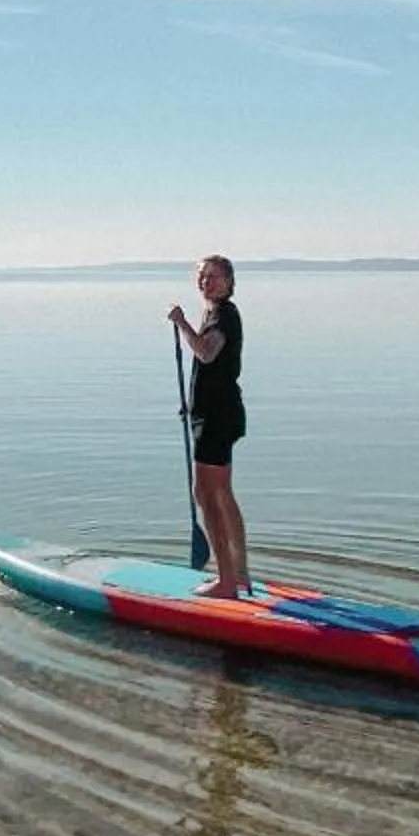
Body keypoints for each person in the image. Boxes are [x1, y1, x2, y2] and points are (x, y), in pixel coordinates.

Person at [169, 254, 249, 598]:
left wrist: (182, 323)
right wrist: (192, 403)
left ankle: (227, 582)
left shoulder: (222, 314)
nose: (206, 282)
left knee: (206, 495)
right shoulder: (217, 313)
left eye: (214, 276)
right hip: (216, 413)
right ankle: (240, 573)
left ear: (229, 282)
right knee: (222, 493)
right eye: (202, 276)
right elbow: (213, 371)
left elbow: (206, 353)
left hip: (217, 419)